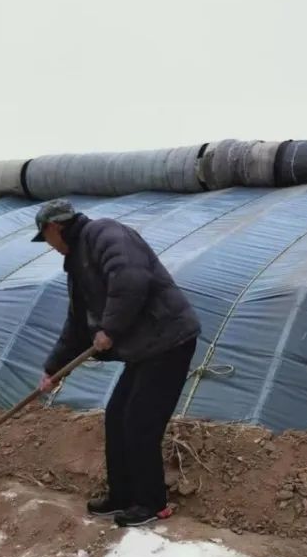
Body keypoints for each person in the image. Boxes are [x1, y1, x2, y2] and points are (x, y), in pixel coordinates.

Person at [32, 199, 200, 527]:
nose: (48, 247)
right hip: (145, 348)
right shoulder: (78, 263)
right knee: (116, 417)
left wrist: (111, 328)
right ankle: (123, 495)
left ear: (54, 228)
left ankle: (152, 503)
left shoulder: (104, 234)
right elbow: (78, 324)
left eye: (46, 238)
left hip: (168, 340)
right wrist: (52, 369)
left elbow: (131, 278)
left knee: (139, 421)